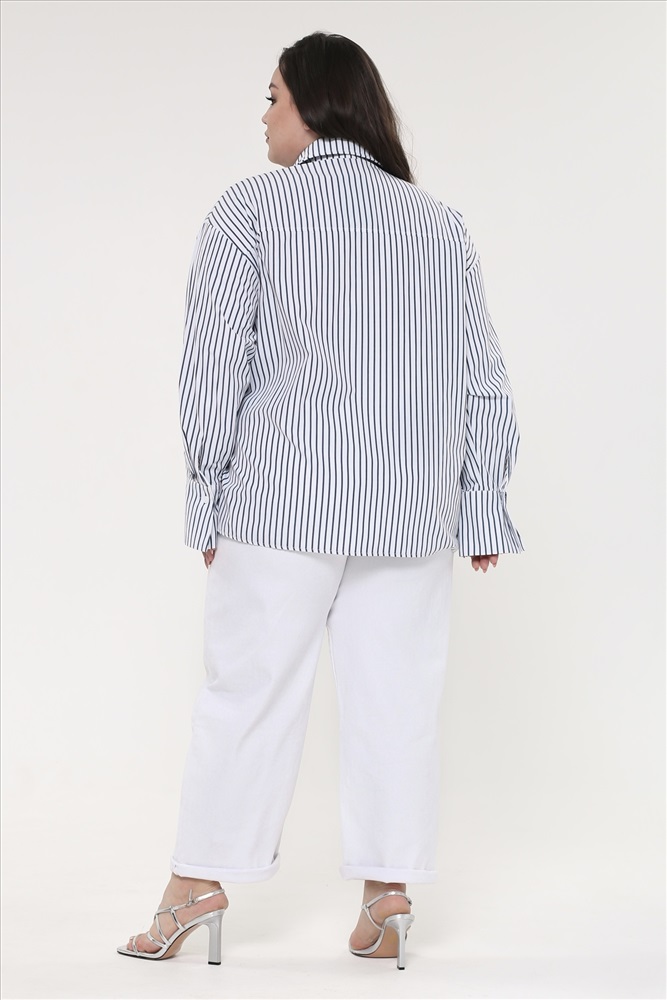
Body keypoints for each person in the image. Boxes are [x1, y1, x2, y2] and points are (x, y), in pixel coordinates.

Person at [117, 30, 523, 971]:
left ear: (314, 101)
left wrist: (207, 494)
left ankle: (194, 887)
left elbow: (214, 367)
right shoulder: (438, 225)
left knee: (246, 694)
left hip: (279, 505)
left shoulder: (251, 210)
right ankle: (388, 897)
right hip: (410, 511)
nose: (263, 115)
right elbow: (482, 379)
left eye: (272, 96)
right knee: (397, 700)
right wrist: (480, 503)